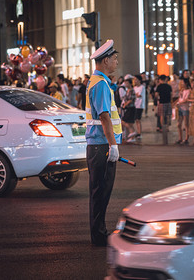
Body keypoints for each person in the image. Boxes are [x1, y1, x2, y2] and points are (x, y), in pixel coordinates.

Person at [84, 40, 122, 247]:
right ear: (105, 60)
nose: (116, 62)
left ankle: (99, 233)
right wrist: (113, 145)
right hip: (101, 146)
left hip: (99, 145)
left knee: (100, 192)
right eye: (114, 59)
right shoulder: (100, 84)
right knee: (100, 192)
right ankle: (99, 236)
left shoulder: (100, 82)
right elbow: (105, 117)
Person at [121, 78, 137, 142]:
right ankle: (132, 137)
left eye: (127, 83)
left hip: (130, 108)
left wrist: (125, 105)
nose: (125, 84)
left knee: (124, 121)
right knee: (129, 123)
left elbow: (130, 100)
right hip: (128, 108)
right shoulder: (127, 90)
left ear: (130, 83)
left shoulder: (131, 91)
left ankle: (133, 132)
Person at [176, 79, 190, 144]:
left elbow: (186, 100)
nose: (181, 84)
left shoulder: (188, 91)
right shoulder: (181, 90)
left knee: (186, 124)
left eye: (182, 83)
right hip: (180, 108)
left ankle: (186, 138)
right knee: (179, 124)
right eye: (181, 83)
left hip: (185, 108)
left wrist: (179, 103)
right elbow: (180, 98)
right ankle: (180, 138)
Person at [133, 75, 146, 139]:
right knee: (136, 120)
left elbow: (139, 95)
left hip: (139, 105)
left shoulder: (142, 87)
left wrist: (134, 94)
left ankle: (139, 133)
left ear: (139, 80)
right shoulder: (134, 88)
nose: (135, 81)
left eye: (136, 79)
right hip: (134, 105)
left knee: (138, 119)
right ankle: (138, 132)